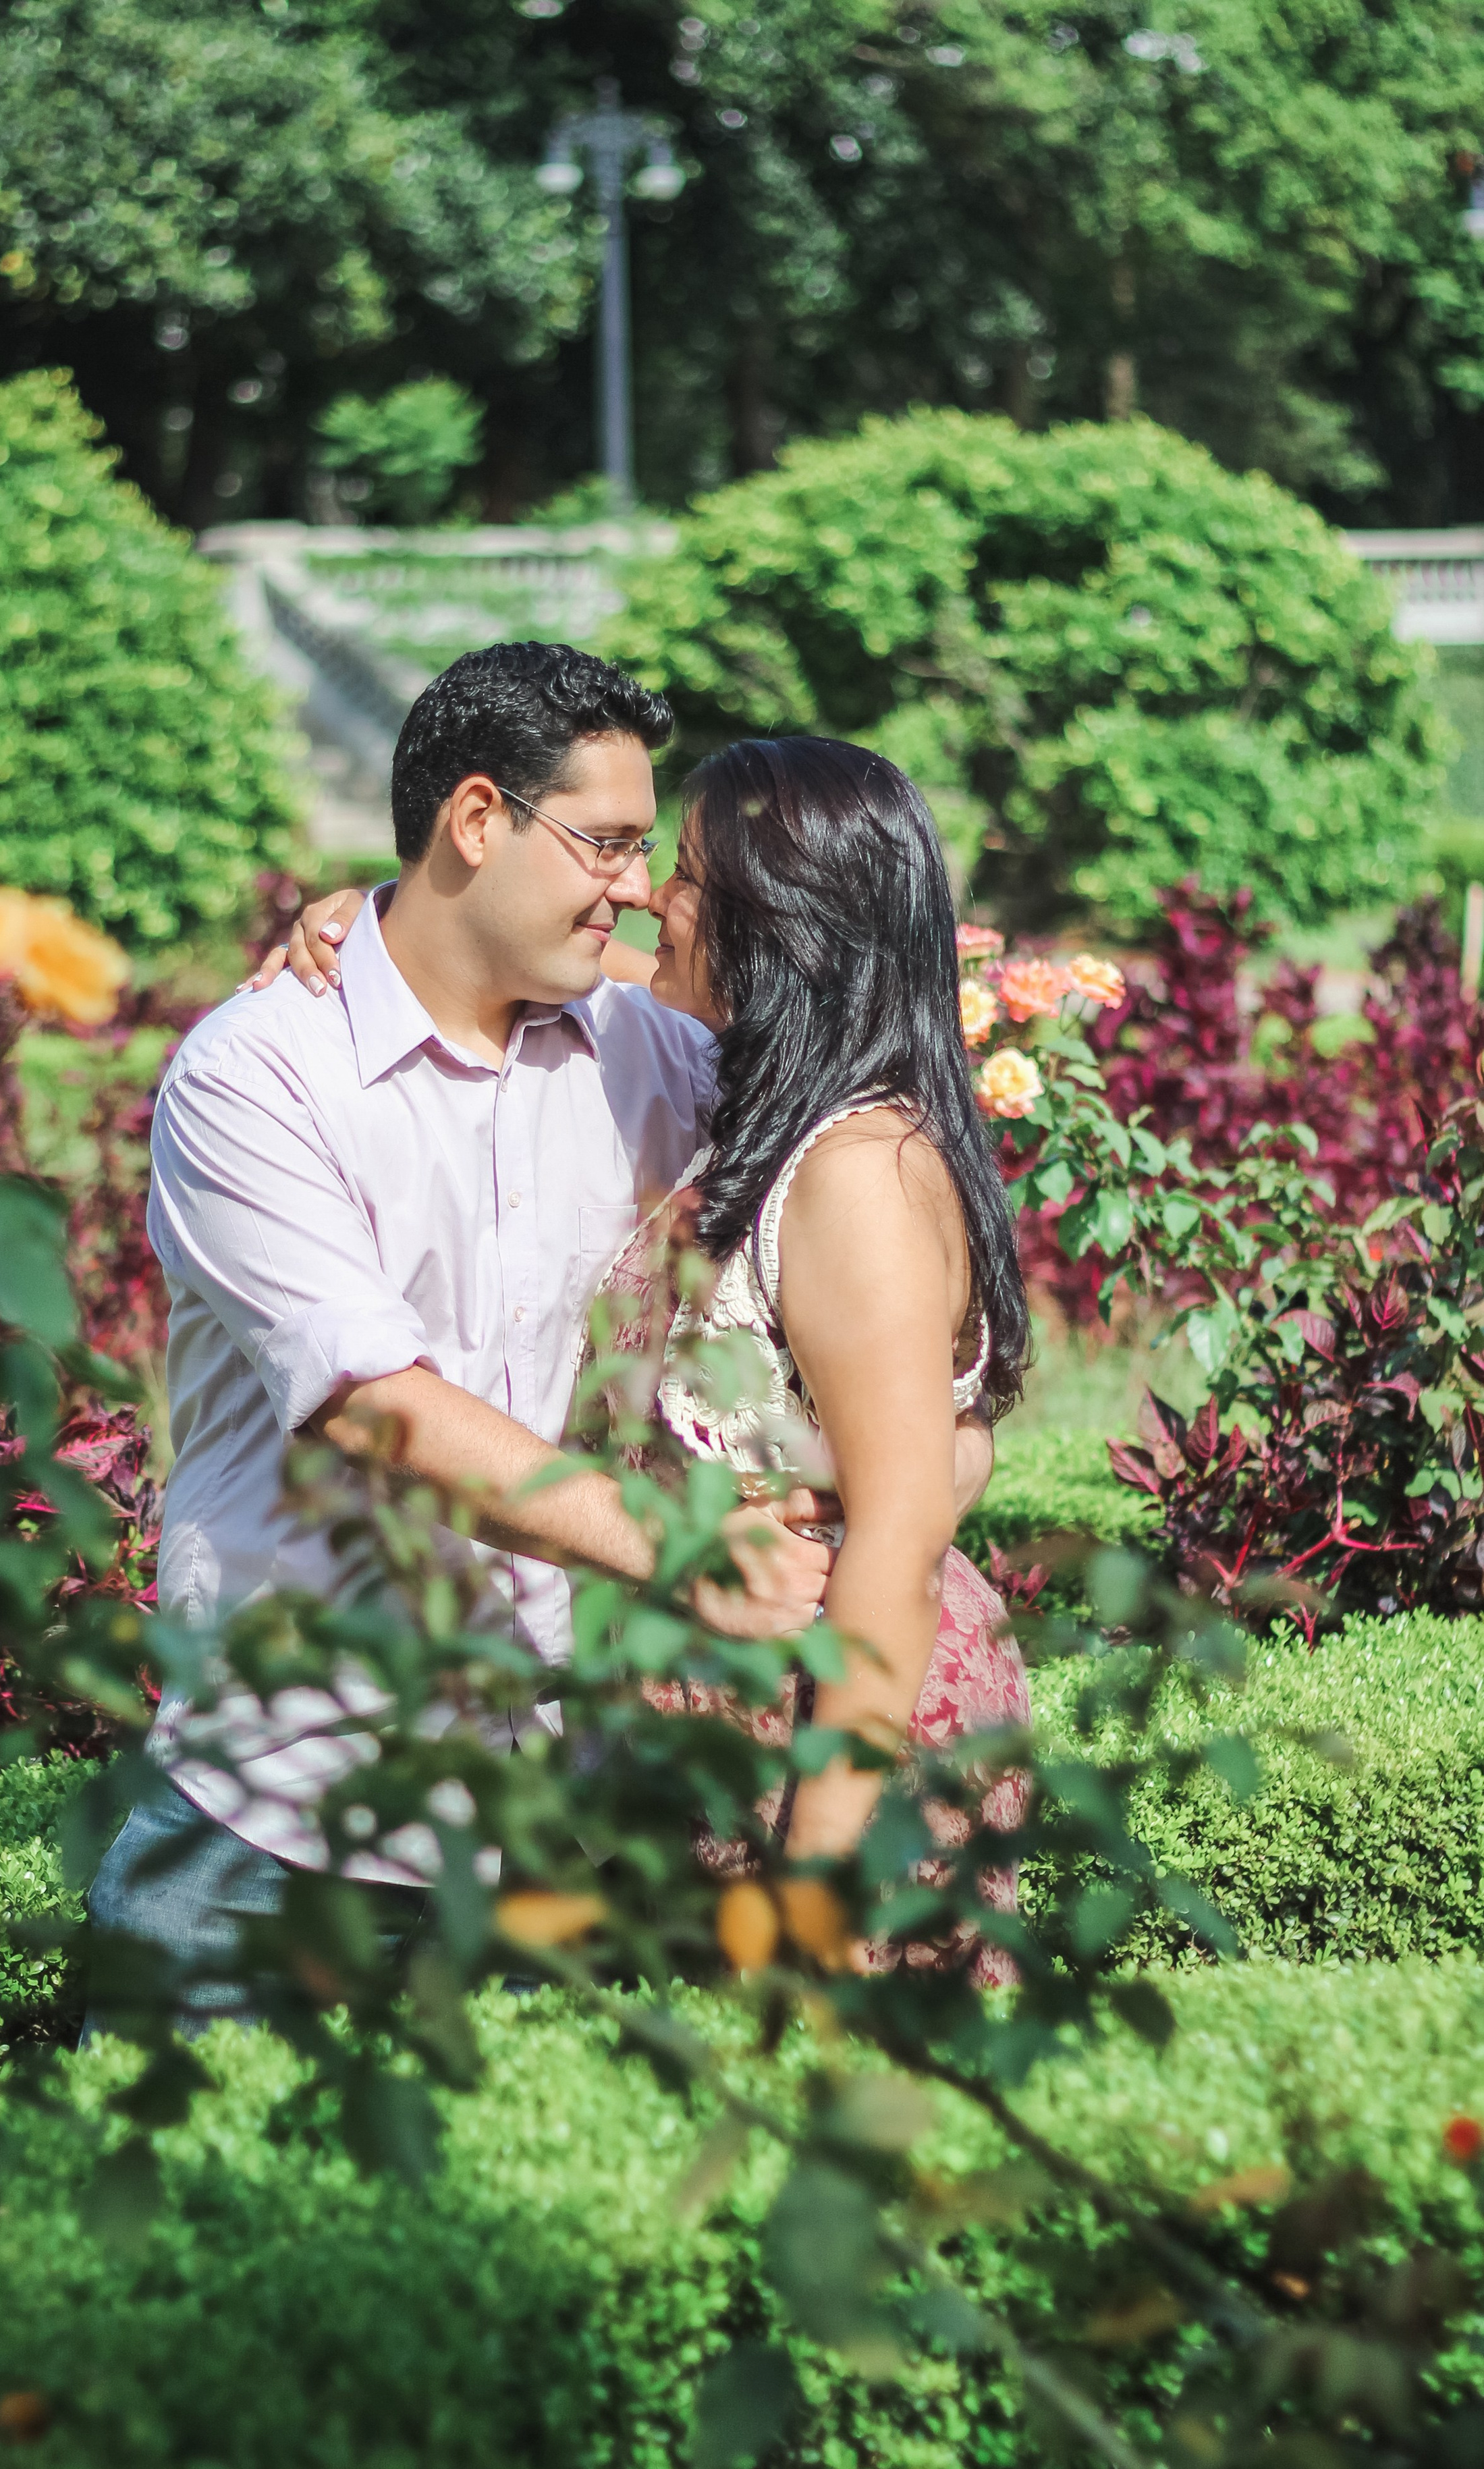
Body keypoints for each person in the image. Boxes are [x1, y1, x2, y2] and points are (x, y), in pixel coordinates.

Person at [83, 643, 842, 2030]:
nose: (634, 889)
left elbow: (853, 1122)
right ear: (477, 820)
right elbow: (376, 1406)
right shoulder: (256, 1074)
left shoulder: (635, 1052)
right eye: (607, 845)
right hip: (271, 1821)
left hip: (517, 1809)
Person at [275, 734, 1030, 1981]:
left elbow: (897, 1542)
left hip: (833, 1770)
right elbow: (603, 959)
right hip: (724, 1759)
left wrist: (819, 1888)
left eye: (681, 873)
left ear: (779, 922)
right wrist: (390, 927)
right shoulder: (785, 1104)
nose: (646, 900)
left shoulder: (855, 1174)